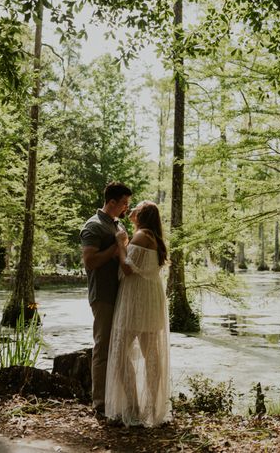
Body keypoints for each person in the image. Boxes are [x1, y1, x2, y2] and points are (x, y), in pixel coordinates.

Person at [105, 200, 171, 427]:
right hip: (149, 299)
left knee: (120, 352)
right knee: (150, 353)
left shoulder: (142, 235)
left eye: (137, 207)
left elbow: (126, 268)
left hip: (137, 301)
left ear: (142, 214)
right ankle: (153, 407)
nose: (131, 209)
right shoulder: (152, 236)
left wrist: (121, 244)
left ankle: (133, 407)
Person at [80, 181, 132, 415]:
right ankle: (99, 402)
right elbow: (89, 262)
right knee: (103, 346)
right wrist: (116, 247)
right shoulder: (93, 226)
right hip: (102, 294)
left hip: (121, 294)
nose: (125, 208)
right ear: (111, 202)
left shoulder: (116, 224)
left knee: (120, 347)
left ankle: (123, 399)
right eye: (123, 203)